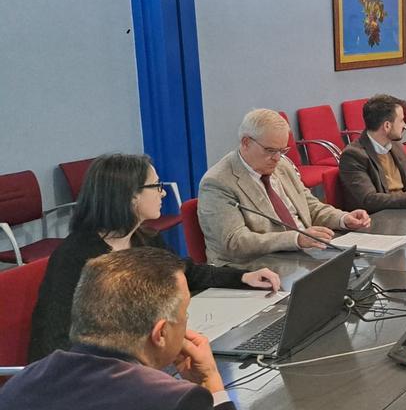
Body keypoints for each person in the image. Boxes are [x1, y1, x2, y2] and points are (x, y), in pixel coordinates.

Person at [0, 248, 284, 410]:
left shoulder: (17, 387)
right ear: (160, 333)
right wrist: (212, 383)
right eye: (184, 315)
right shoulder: (171, 406)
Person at [27, 154, 279, 363]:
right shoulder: (74, 257)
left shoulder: (142, 237)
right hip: (104, 374)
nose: (163, 193)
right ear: (131, 195)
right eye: (156, 186)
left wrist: (243, 277)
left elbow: (186, 272)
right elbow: (54, 343)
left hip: (146, 355)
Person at [197, 109, 371, 266]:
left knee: (362, 269)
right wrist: (295, 239)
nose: (277, 158)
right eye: (270, 150)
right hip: (254, 267)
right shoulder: (218, 182)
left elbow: (310, 206)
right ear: (246, 142)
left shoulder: (282, 165)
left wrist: (343, 218)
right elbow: (234, 242)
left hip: (303, 256)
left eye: (282, 150)